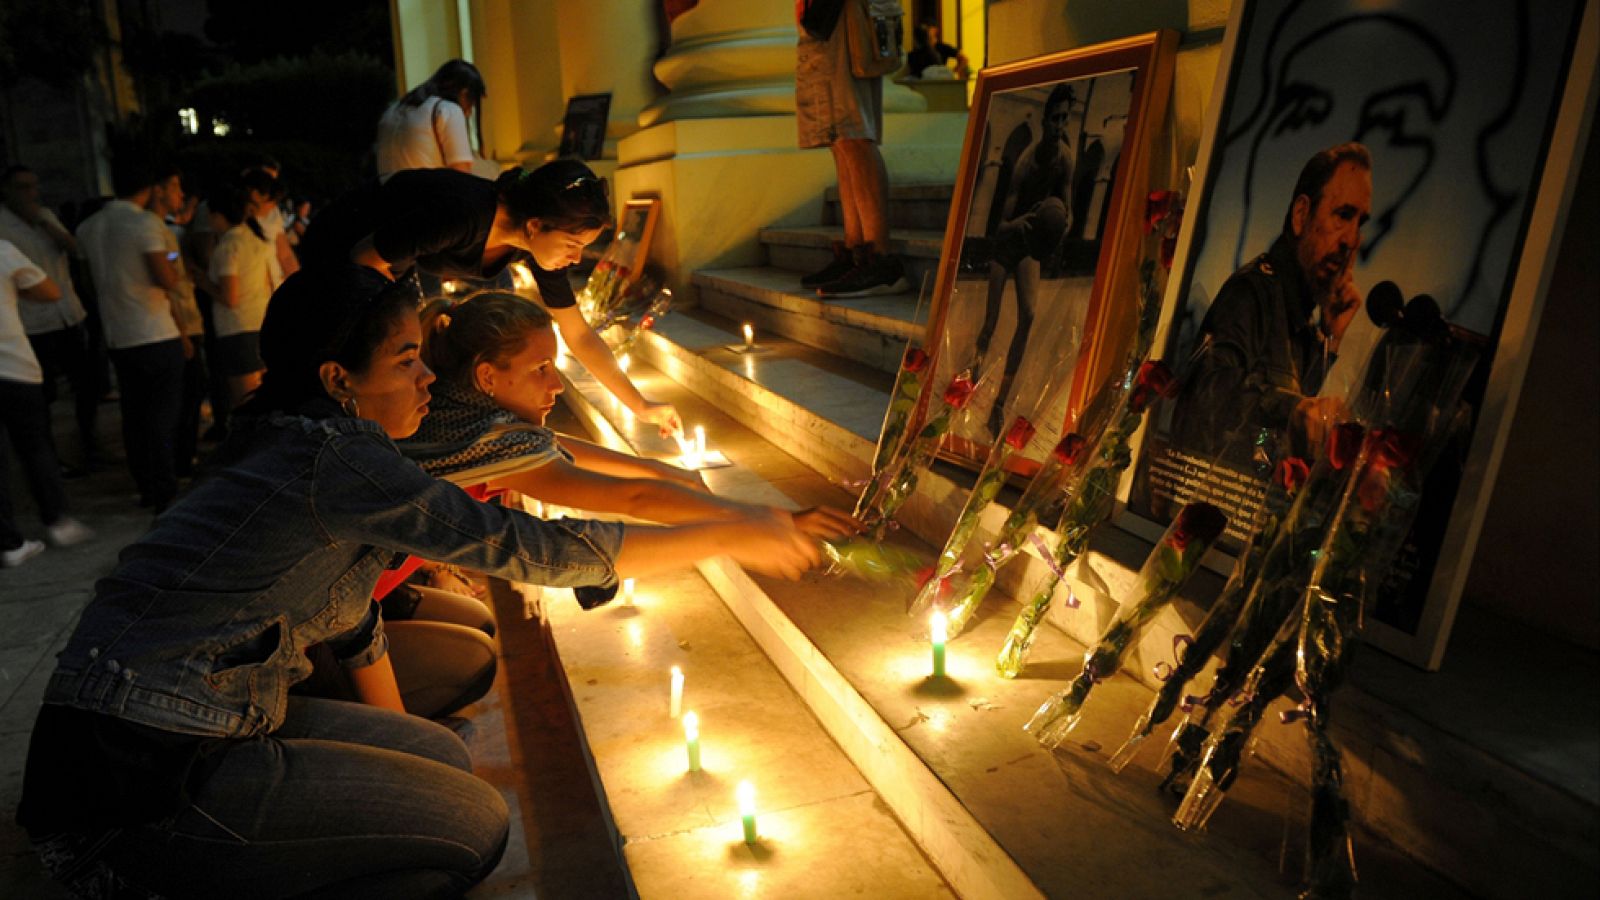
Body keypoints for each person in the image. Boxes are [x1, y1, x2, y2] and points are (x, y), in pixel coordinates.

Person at [15, 264, 822, 898]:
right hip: (136, 769)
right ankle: (168, 875)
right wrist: (730, 531)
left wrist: (725, 523)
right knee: (471, 826)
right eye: (407, 360)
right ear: (338, 378)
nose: (427, 380)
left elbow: (347, 603)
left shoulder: (302, 438)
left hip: (191, 714)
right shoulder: (337, 458)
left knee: (437, 754)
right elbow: (525, 547)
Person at [303, 158, 683, 437]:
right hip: (342, 243)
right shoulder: (464, 214)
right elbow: (363, 262)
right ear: (535, 226)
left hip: (387, 260)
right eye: (572, 244)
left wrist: (641, 405)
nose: (576, 258)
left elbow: (579, 334)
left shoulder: (534, 246)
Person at [1170, 143, 1372, 465]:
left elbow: (1283, 414)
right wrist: (1294, 410)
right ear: (1301, 214)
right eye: (1343, 215)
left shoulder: (1298, 309)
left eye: (1360, 222)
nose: (1351, 239)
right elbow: (1206, 398)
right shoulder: (1253, 293)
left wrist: (1329, 340)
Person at [76, 160, 193, 512]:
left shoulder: (88, 227)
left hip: (118, 333)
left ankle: (146, 484)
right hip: (155, 329)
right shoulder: (145, 224)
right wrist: (172, 256)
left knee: (135, 413)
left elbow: (85, 281)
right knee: (162, 415)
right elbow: (167, 278)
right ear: (149, 188)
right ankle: (165, 488)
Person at [975, 81, 1075, 436]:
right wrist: (1018, 223)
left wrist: (1060, 226)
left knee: (1028, 316)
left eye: (1065, 119)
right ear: (1045, 119)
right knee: (991, 320)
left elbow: (1068, 208)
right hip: (1009, 238)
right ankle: (970, 378)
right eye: (1055, 119)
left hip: (1031, 240)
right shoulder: (1025, 162)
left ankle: (998, 404)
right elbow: (1000, 224)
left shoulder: (1065, 159)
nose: (1059, 126)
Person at [795, 0, 911, 298]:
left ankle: (880, 260)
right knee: (839, 138)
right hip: (828, 17)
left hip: (845, 13)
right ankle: (857, 250)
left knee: (853, 133)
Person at [0, 240, 93, 568]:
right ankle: (57, 520)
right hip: (14, 367)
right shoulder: (3, 251)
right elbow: (50, 291)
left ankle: (8, 542)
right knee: (36, 447)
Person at [0, 165, 100, 470]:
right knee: (43, 394)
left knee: (87, 383)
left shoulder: (46, 217)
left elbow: (77, 250)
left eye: (33, 186)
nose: (31, 193)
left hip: (67, 313)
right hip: (33, 321)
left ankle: (88, 443)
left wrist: (48, 224)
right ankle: (47, 456)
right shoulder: (3, 227)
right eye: (22, 187)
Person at [207, 187, 275, 408]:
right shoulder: (257, 241)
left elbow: (230, 296)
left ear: (218, 215)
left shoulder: (228, 246)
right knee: (265, 400)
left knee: (245, 404)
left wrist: (199, 279)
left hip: (237, 328)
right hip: (261, 322)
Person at [376, 58, 485, 182]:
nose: (469, 112)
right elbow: (462, 177)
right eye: (471, 103)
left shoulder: (391, 111)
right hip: (428, 198)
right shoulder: (447, 110)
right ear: (464, 93)